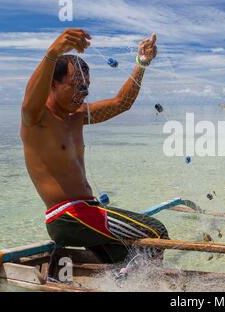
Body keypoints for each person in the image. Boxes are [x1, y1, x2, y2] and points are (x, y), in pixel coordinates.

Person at [20, 28, 168, 264]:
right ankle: (152, 285)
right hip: (68, 216)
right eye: (76, 85)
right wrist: (53, 51)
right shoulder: (36, 119)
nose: (83, 93)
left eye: (86, 87)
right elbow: (29, 100)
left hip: (89, 211)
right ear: (52, 84)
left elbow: (121, 104)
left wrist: (141, 63)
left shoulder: (77, 115)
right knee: (155, 231)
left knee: (125, 257)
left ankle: (126, 281)